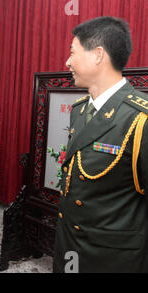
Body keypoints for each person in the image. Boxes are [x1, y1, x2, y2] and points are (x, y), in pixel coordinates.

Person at [53, 16, 148, 273]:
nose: (67, 62)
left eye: (72, 53)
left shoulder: (140, 119)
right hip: (69, 246)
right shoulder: (80, 110)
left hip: (108, 260)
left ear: (97, 55)